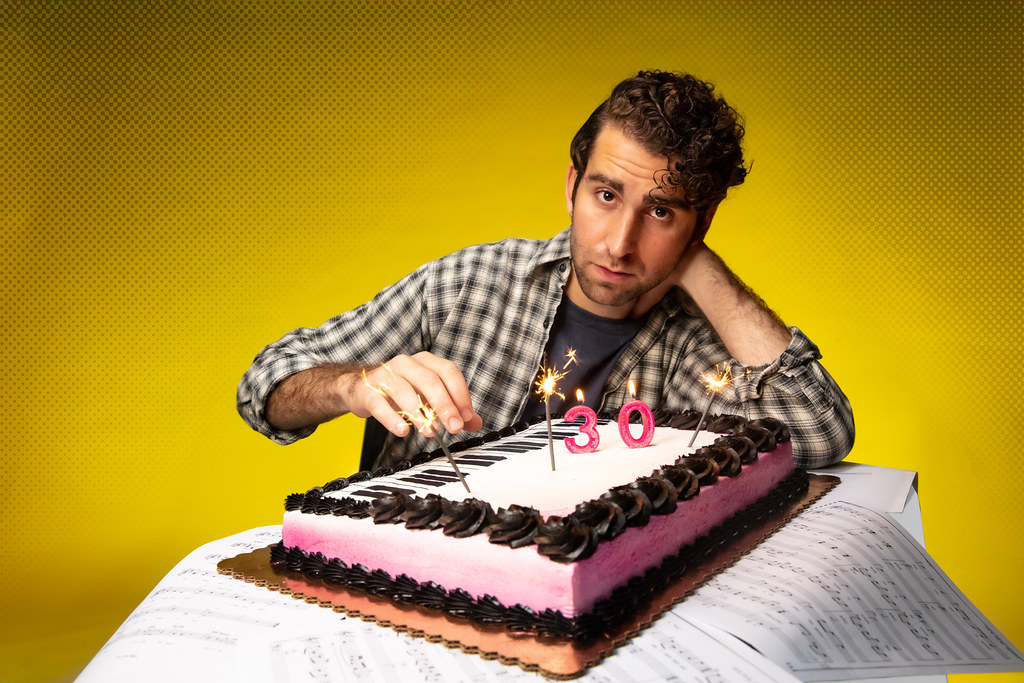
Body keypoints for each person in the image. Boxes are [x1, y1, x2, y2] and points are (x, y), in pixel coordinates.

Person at [237, 70, 854, 470]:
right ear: (572, 184)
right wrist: (355, 386)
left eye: (661, 212)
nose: (619, 244)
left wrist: (702, 266)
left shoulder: (697, 348)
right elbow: (265, 386)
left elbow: (821, 430)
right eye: (606, 196)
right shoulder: (464, 287)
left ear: (701, 223)